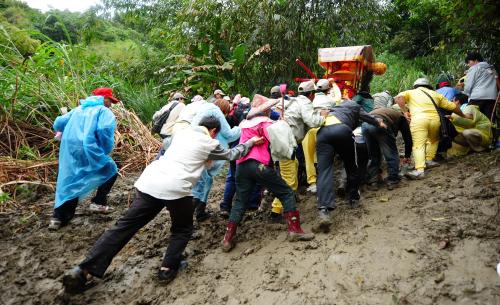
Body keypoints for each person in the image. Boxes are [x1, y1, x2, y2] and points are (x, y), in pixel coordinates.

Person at [62, 116, 264, 294]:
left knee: (123, 227)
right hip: (176, 187)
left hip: (150, 181)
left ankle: (83, 270)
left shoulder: (181, 134)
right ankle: (167, 268)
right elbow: (232, 154)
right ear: (213, 131)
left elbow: (170, 149)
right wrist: (251, 142)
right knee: (182, 228)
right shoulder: (209, 142)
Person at [221, 95, 314, 252]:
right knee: (286, 193)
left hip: (242, 167)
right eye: (269, 109)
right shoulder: (266, 123)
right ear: (266, 110)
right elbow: (279, 143)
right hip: (259, 166)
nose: (271, 111)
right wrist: (283, 125)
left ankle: (227, 238)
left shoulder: (244, 124)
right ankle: (294, 230)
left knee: (240, 202)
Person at [49, 87, 120, 231]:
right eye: (110, 101)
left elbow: (58, 124)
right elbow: (104, 131)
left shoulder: (78, 109)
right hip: (90, 148)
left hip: (70, 150)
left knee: (70, 179)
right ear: (104, 99)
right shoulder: (103, 111)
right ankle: (98, 202)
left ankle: (57, 218)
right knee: (111, 169)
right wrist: (104, 150)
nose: (110, 104)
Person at [315, 100, 386, 232]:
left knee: (324, 171)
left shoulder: (333, 109)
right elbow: (368, 118)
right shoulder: (354, 105)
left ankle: (324, 209)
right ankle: (353, 198)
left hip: (322, 134)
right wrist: (379, 123)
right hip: (342, 130)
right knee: (351, 165)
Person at [270, 80, 328, 220]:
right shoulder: (305, 102)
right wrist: (323, 117)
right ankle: (276, 212)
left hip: (281, 141)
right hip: (286, 143)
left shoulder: (292, 101)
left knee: (291, 171)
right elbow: (312, 121)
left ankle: (279, 208)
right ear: (311, 95)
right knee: (289, 179)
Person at [395, 78, 468, 179]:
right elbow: (452, 107)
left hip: (418, 120)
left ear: (415, 86)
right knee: (434, 140)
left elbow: (399, 99)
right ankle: (428, 160)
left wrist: (404, 111)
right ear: (428, 86)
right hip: (435, 120)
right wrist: (464, 115)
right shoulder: (435, 94)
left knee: (418, 144)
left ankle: (419, 170)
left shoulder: (410, 92)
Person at [190, 99, 240, 221]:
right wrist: (241, 128)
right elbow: (229, 134)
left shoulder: (203, 109)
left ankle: (200, 212)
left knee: (205, 181)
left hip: (196, 148)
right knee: (201, 184)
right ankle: (188, 218)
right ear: (223, 109)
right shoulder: (215, 111)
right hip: (205, 151)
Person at [362, 106, 413, 189]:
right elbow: (408, 139)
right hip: (380, 124)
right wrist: (407, 156)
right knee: (391, 155)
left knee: (373, 155)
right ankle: (393, 181)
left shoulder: (388, 112)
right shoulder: (402, 117)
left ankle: (373, 182)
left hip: (365, 125)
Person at [302, 79, 336, 193]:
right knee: (324, 156)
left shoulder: (310, 100)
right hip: (324, 128)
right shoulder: (331, 100)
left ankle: (312, 183)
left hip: (310, 130)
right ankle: (324, 180)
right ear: (328, 89)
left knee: (309, 157)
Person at [463, 52, 499, 119]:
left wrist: (465, 94)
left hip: (477, 97)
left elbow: (468, 85)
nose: (468, 64)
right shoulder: (492, 68)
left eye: (468, 62)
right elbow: (497, 80)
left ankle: (474, 130)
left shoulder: (475, 68)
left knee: (470, 118)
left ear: (476, 60)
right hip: (492, 98)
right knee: (488, 120)